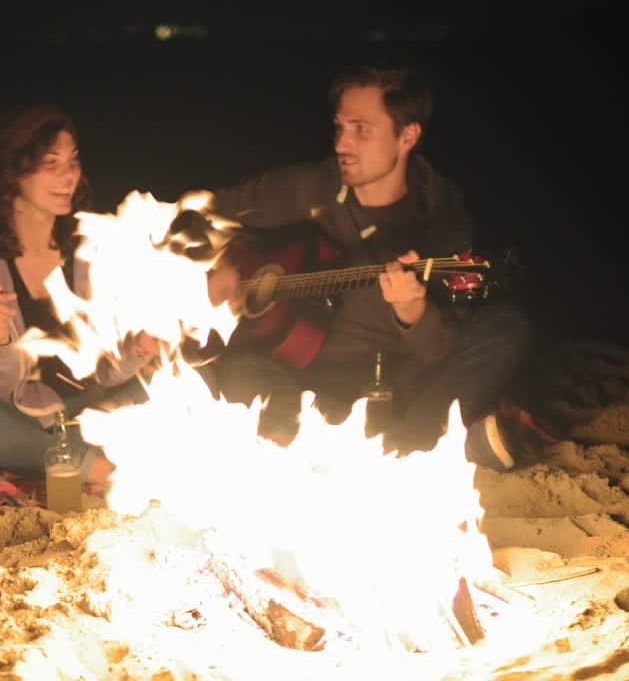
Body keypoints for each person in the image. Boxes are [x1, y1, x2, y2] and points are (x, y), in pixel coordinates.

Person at [203, 60, 534, 469]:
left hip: (392, 378)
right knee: (227, 368)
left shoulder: (441, 217)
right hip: (301, 372)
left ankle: (404, 446)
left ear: (407, 135)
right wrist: (216, 261)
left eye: (362, 129)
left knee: (507, 329)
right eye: (340, 127)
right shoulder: (314, 186)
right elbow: (205, 212)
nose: (343, 143)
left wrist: (413, 312)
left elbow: (441, 346)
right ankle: (423, 450)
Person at [0, 106, 157, 485]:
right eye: (52, 162)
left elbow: (109, 374)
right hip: (14, 419)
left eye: (73, 160)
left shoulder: (92, 243)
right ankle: (86, 465)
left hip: (94, 412)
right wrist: (0, 342)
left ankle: (11, 459)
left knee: (200, 375)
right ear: (13, 170)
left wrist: (137, 349)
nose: (68, 176)